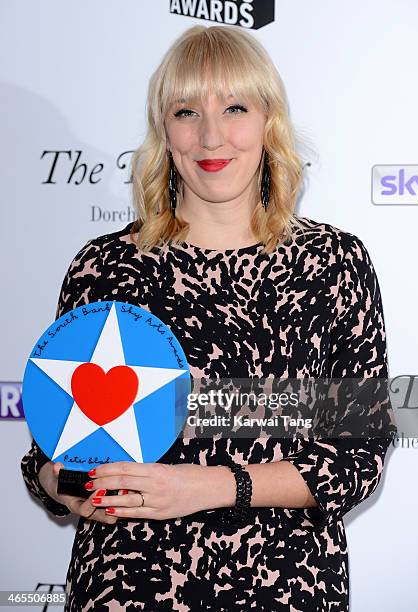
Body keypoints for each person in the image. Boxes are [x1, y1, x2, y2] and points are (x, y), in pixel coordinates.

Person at [21, 25, 395, 611]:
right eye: (187, 111)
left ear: (268, 122)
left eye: (235, 107)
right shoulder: (104, 267)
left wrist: (204, 488)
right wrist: (64, 487)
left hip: (286, 585)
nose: (211, 135)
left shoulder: (332, 264)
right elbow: (53, 452)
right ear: (164, 131)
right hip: (127, 584)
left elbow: (357, 458)